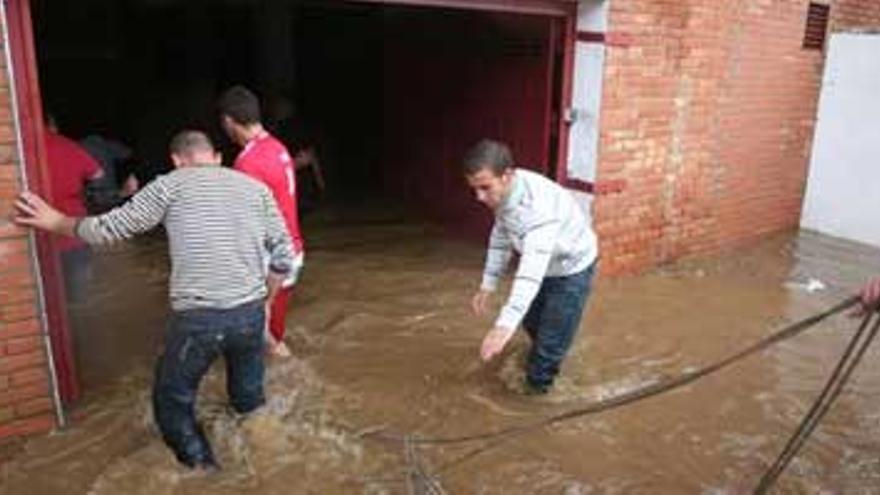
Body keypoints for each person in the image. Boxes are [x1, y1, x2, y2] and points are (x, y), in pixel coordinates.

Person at [14, 130, 296, 470]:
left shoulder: (170, 185)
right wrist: (266, 300)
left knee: (172, 401)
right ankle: (270, 464)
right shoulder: (255, 189)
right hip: (250, 315)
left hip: (199, 320)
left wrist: (56, 220)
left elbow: (110, 229)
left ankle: (206, 474)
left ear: (176, 161)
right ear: (217, 158)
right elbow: (284, 255)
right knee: (249, 400)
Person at [465, 139, 599, 395]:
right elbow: (502, 236)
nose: (479, 197)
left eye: (484, 188)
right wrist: (488, 284)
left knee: (544, 358)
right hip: (543, 262)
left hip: (571, 269)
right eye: (474, 189)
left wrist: (503, 326)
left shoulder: (536, 209)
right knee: (533, 324)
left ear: (506, 176)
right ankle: (554, 346)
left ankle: (537, 401)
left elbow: (528, 276)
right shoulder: (506, 191)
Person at [218, 85, 305, 358]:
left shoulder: (247, 162)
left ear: (228, 121)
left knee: (261, 340)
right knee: (273, 329)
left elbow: (245, 224)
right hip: (292, 250)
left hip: (271, 260)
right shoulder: (277, 147)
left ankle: (286, 385)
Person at [44, 115, 105, 303]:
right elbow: (98, 174)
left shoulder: (19, 148)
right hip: (72, 234)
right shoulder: (65, 144)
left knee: (46, 300)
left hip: (35, 240)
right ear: (52, 125)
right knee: (79, 302)